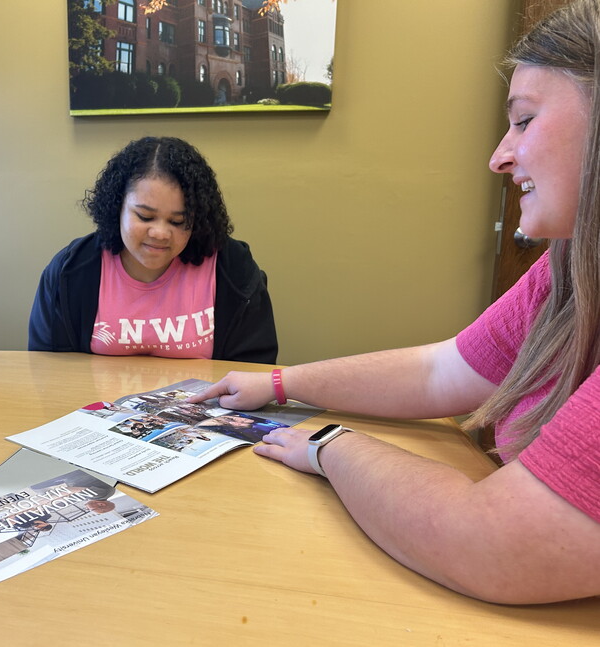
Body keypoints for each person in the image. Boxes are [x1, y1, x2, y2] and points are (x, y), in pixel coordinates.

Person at [188, 0, 600, 605]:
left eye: (523, 120)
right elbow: (444, 370)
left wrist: (329, 444)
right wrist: (280, 384)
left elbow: (489, 543)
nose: (499, 156)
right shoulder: (567, 269)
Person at [28, 136, 277, 363]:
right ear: (117, 208)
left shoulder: (233, 270)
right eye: (145, 216)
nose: (160, 233)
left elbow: (254, 373)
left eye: (178, 222)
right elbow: (49, 369)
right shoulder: (70, 271)